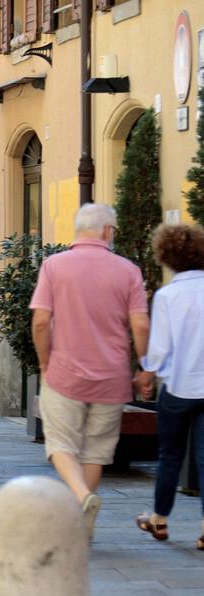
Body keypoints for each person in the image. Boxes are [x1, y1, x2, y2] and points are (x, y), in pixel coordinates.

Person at [30, 203, 150, 539]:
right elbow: (140, 324)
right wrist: (144, 367)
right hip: (111, 378)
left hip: (64, 373)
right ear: (108, 231)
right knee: (96, 450)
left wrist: (44, 361)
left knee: (61, 444)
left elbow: (41, 321)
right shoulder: (128, 270)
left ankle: (83, 497)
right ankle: (82, 526)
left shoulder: (54, 266)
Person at [133, 224, 204, 550]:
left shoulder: (167, 295)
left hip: (177, 387)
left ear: (167, 256)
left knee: (170, 455)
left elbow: (160, 347)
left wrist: (147, 373)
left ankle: (159, 519)